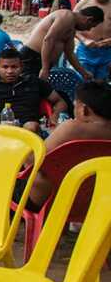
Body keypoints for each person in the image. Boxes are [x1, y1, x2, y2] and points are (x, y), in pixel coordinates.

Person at [18, 81, 111, 210]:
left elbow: (31, 161)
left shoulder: (73, 128)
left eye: (75, 105)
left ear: (84, 109)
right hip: (97, 202)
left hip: (50, 200)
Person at [0, 48, 67, 134]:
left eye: (14, 67)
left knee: (31, 126)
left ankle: (28, 159)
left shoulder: (34, 82)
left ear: (21, 67)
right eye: (5, 67)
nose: (10, 71)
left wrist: (55, 115)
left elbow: (60, 101)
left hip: (26, 129)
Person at [20, 7, 103, 81]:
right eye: (91, 26)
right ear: (89, 20)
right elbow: (49, 40)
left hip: (42, 62)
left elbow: (70, 53)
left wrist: (83, 72)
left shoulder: (72, 29)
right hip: (32, 57)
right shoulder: (66, 16)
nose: (88, 30)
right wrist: (44, 68)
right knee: (28, 92)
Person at [74, 0, 111, 81]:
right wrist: (84, 40)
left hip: (108, 52)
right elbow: (72, 26)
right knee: (84, 82)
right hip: (86, 51)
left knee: (102, 85)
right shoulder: (83, 4)